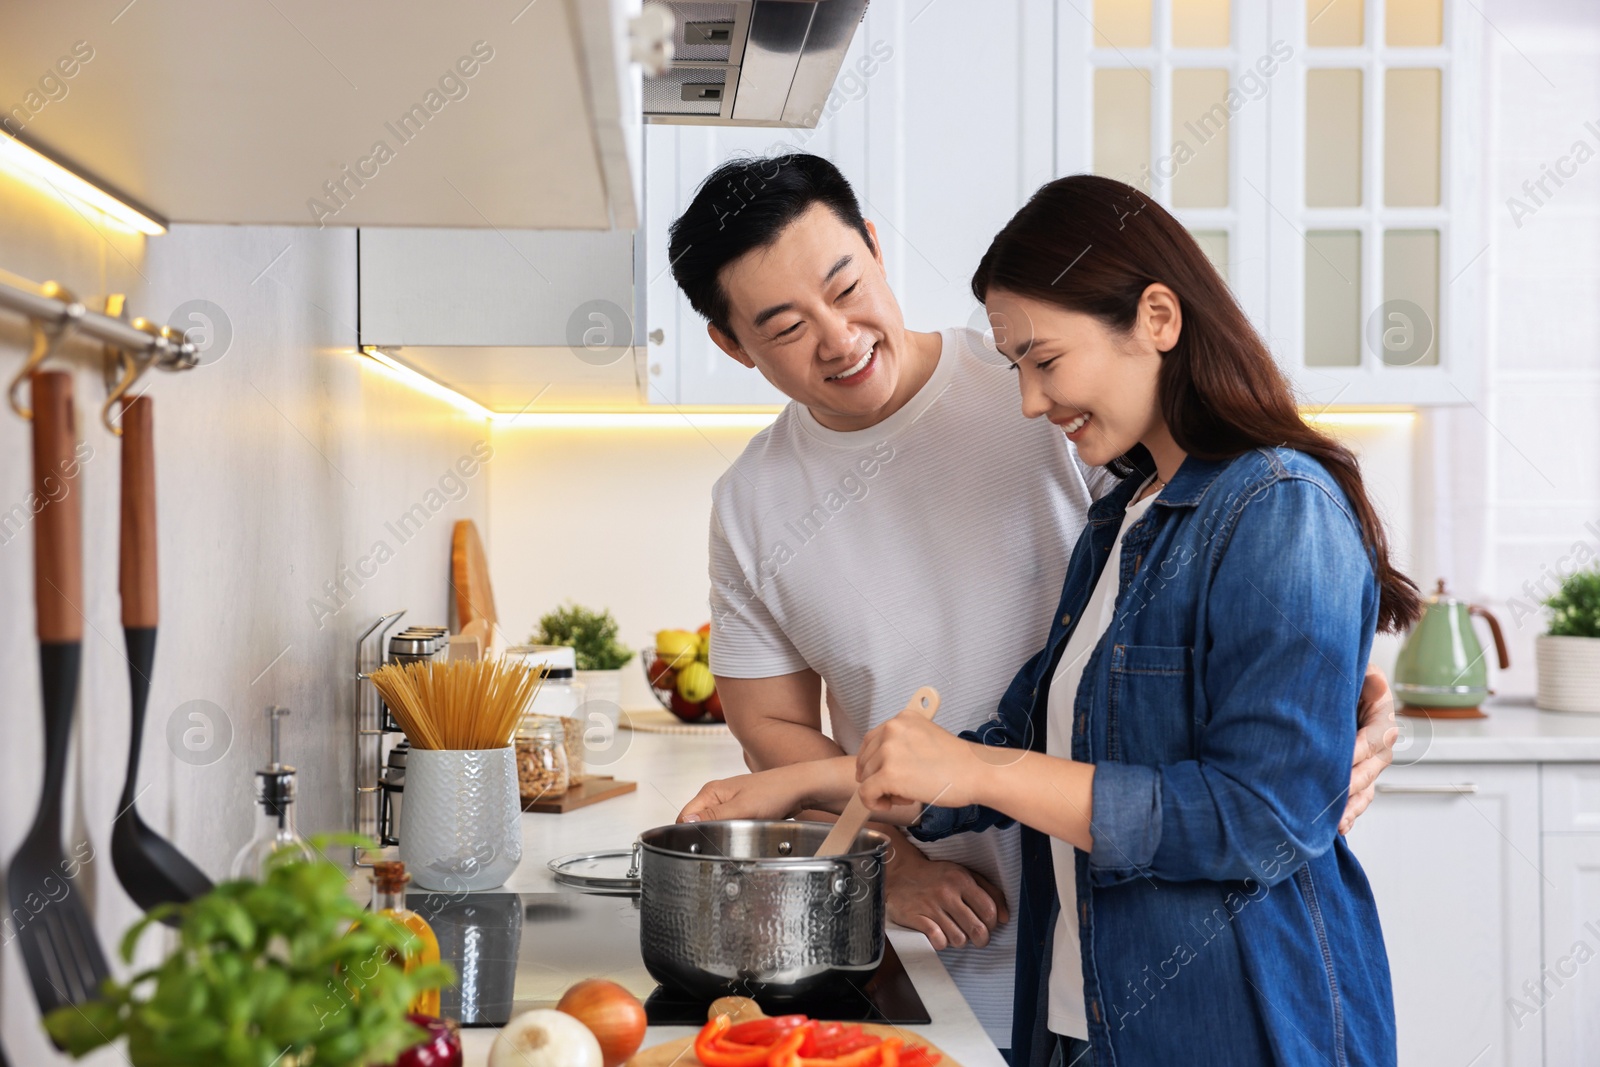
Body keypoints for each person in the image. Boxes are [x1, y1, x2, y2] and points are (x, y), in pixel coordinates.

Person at [669, 153, 1398, 1056]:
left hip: (1218, 1003)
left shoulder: (1256, 495)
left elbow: (1259, 795)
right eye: (784, 325)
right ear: (735, 345)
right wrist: (816, 789)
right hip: (1056, 981)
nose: (1028, 397)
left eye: (1042, 360)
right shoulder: (1124, 516)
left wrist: (1345, 704)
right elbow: (1030, 733)